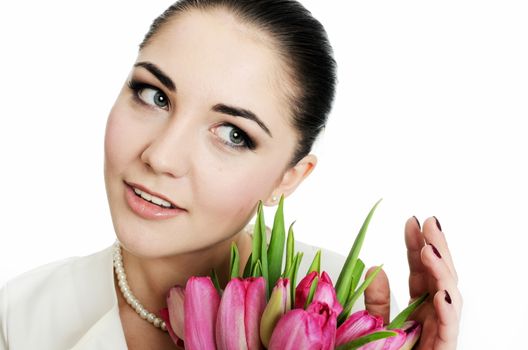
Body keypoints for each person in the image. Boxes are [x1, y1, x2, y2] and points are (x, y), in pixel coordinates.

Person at [0, 0, 461, 349]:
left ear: (289, 178)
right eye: (153, 95)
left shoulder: (339, 310)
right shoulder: (23, 318)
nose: (161, 157)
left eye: (233, 134)